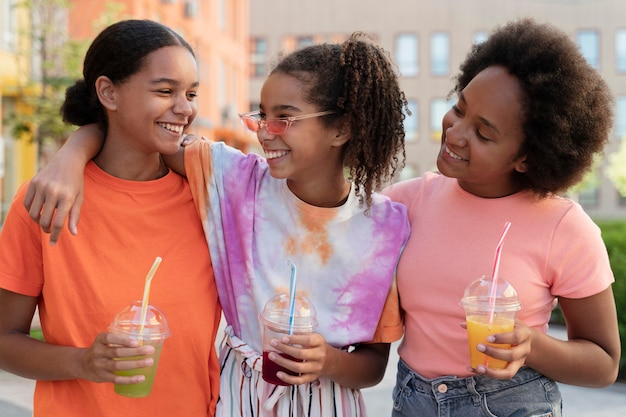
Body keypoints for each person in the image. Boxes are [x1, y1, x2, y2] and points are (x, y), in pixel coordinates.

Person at [19, 32, 411, 417]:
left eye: (284, 119)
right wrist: (70, 155)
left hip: (326, 404)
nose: (262, 130)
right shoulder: (233, 182)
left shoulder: (384, 229)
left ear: (341, 129)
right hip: (235, 397)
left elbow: (374, 364)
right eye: (261, 115)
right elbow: (133, 131)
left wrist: (328, 361)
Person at [383, 18, 621, 417]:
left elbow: (604, 364)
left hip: (513, 405)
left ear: (527, 157)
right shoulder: (407, 201)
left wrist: (532, 345)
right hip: (413, 403)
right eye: (459, 109)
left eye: (484, 133)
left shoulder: (565, 227)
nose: (455, 133)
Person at [0, 19, 221, 417]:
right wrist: (82, 362)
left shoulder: (208, 196)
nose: (185, 108)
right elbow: (4, 340)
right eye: (165, 91)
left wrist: (77, 145)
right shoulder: (45, 201)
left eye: (191, 93)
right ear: (108, 92)